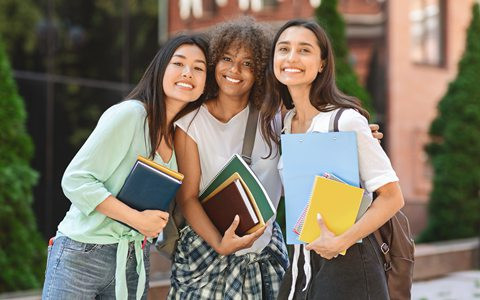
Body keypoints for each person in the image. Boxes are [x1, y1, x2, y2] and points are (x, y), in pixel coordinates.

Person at [42, 34, 209, 300]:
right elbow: (75, 180)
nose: (188, 73)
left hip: (134, 257)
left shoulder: (181, 135)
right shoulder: (131, 115)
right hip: (84, 254)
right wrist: (137, 220)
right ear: (160, 69)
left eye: (198, 68)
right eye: (178, 63)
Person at [261, 19, 405, 300]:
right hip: (301, 264)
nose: (292, 58)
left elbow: (392, 197)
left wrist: (341, 240)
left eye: (304, 50)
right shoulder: (284, 124)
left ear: (322, 63)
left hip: (349, 264)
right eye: (284, 49)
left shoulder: (345, 120)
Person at [168, 18, 289, 299]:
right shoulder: (191, 123)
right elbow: (187, 198)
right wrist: (221, 244)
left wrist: (355, 133)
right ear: (213, 64)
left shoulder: (274, 119)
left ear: (259, 71)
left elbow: (312, 146)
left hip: (265, 256)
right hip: (207, 254)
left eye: (247, 63)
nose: (235, 70)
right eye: (227, 58)